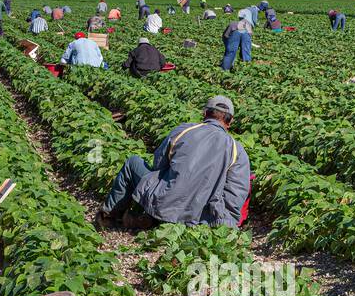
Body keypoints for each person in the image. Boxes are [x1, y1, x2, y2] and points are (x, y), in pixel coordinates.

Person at [99, 95, 250, 230]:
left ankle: (109, 217)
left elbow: (158, 164)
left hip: (166, 205)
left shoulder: (184, 131)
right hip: (201, 220)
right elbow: (235, 193)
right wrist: (222, 225)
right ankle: (157, 218)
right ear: (230, 121)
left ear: (204, 114)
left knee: (133, 162)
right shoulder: (237, 150)